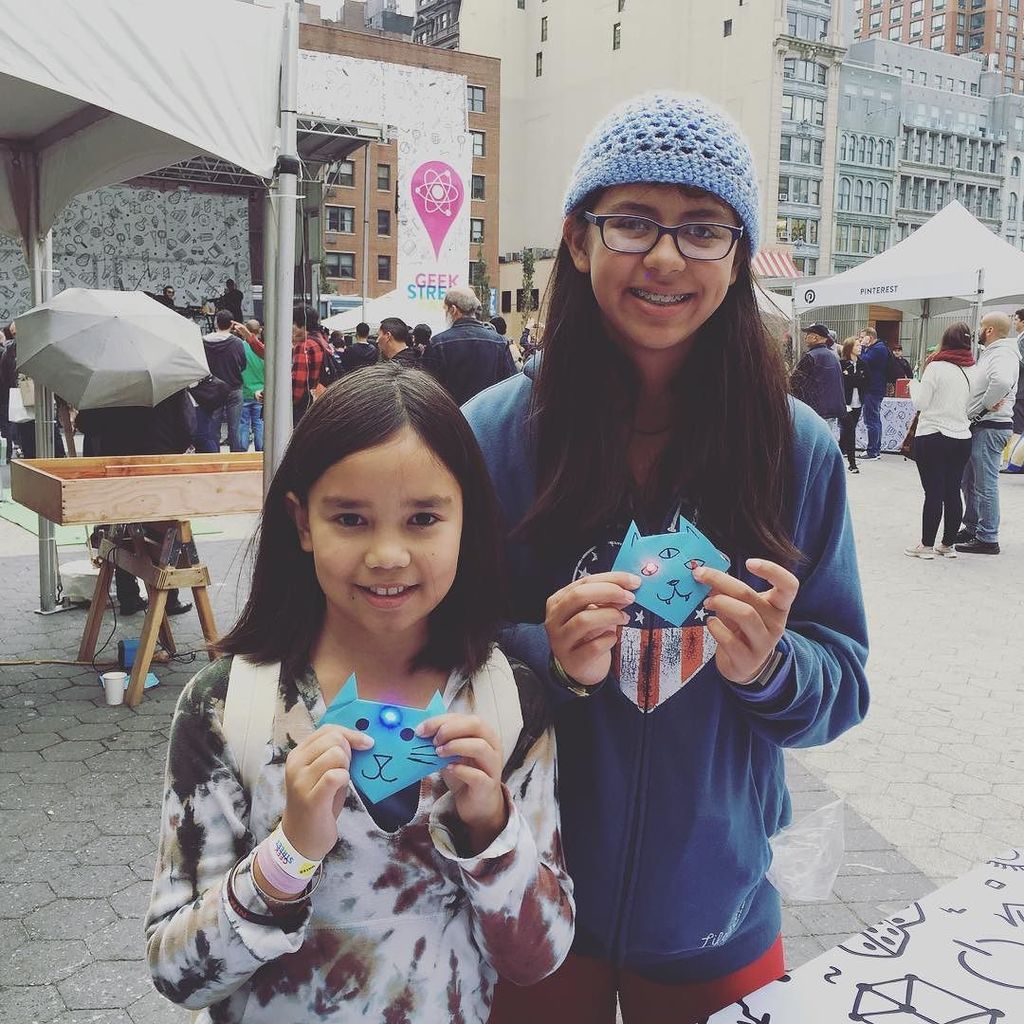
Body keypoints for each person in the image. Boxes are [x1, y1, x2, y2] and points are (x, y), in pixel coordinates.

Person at [463, 92, 869, 1023]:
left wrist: (770, 668)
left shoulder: (795, 451)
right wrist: (546, 658)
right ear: (578, 239)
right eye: (634, 221)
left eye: (703, 229)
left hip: (715, 914)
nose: (667, 257)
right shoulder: (491, 437)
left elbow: (844, 681)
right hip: (523, 897)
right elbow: (429, 658)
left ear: (738, 257)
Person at [145, 364, 574, 1023]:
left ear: (467, 520)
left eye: (423, 518)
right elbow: (176, 973)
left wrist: (491, 827)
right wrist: (288, 854)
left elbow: (538, 959)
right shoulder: (229, 707)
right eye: (351, 518)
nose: (387, 555)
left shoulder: (505, 703)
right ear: (302, 522)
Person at [78, 392, 196, 615]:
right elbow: (187, 428)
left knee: (121, 531)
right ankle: (167, 598)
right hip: (158, 463)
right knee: (163, 533)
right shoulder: (168, 383)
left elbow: (86, 423)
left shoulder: (107, 385)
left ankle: (129, 596)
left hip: (118, 466)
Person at [904, 323, 975, 560]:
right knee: (952, 491)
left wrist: (914, 385)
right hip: (962, 436)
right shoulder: (973, 369)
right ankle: (948, 544)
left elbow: (921, 403)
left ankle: (926, 546)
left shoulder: (935, 366)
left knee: (933, 492)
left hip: (933, 433)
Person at [956, 311, 1019, 555]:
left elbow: (1001, 382)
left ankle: (988, 537)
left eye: (981, 325)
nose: (977, 331)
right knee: (970, 482)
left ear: (990, 330)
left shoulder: (1002, 353)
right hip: (983, 426)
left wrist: (983, 407)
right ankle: (973, 526)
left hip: (990, 426)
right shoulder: (993, 353)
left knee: (984, 484)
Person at [422, 286, 516, 405]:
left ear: (453, 310)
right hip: (490, 412)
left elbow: (428, 391)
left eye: (445, 309)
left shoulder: (437, 344)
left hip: (453, 414)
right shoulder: (500, 342)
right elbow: (510, 384)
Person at [199, 310, 246, 453]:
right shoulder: (237, 343)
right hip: (234, 388)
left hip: (212, 389)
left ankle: (214, 457)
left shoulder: (203, 341)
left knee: (213, 428)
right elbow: (243, 364)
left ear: (216, 323)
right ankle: (235, 457)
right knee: (234, 428)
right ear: (232, 324)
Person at [789, 324, 846, 427]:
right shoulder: (833, 356)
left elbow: (795, 384)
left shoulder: (811, 356)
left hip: (815, 411)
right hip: (832, 410)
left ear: (815, 337)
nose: (805, 338)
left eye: (807, 334)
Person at [858, 327, 888, 460]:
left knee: (871, 420)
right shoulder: (878, 348)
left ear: (869, 337)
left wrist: (862, 347)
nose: (860, 340)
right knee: (874, 419)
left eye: (862, 337)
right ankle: (875, 449)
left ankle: (872, 451)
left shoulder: (878, 349)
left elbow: (863, 361)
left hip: (873, 389)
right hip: (874, 388)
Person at [291, 305, 324, 426]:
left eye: (293, 323)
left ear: (302, 325)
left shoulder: (304, 346)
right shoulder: (320, 341)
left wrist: (289, 403)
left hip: (302, 406)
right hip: (317, 401)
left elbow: (298, 383)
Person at [839, 336, 867, 474]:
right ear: (849, 347)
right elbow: (843, 382)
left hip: (858, 402)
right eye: (857, 345)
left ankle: (837, 454)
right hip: (845, 403)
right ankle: (852, 463)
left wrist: (851, 377)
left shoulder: (863, 364)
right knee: (850, 430)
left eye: (860, 345)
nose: (860, 347)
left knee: (848, 431)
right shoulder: (842, 364)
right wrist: (855, 378)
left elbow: (866, 381)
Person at [237, 320, 264, 452]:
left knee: (243, 423)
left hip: (244, 392)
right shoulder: (264, 349)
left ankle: (242, 451)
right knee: (259, 423)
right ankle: (261, 451)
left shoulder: (239, 348)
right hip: (261, 393)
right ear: (260, 331)